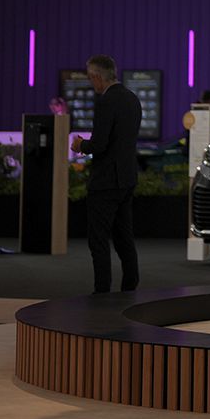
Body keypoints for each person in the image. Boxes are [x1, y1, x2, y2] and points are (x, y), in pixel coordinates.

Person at [71, 54, 141, 294]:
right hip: (127, 178)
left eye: (91, 78)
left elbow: (100, 144)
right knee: (124, 237)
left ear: (96, 77)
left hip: (105, 182)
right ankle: (130, 287)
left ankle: (102, 293)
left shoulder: (106, 101)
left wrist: (80, 145)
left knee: (99, 240)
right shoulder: (133, 100)